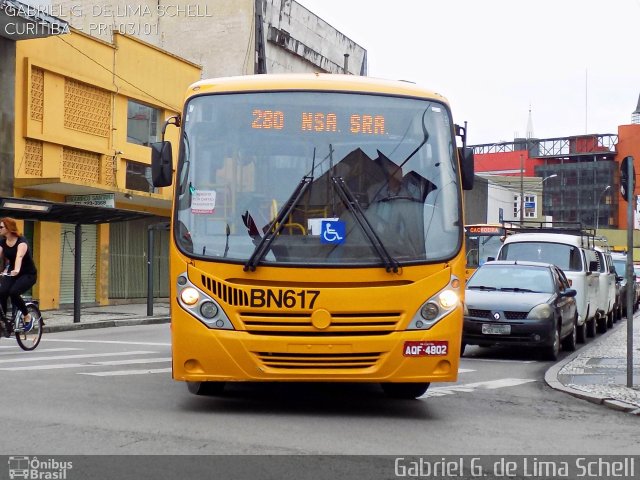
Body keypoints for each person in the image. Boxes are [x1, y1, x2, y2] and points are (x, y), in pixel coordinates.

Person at [0, 217, 37, 334]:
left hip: (28, 273)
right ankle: (3, 320)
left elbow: (19, 257)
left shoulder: (22, 242)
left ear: (9, 228)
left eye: (1, 227)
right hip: (12, 273)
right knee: (2, 292)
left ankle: (27, 316)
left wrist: (16, 269)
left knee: (14, 292)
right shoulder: (2, 242)